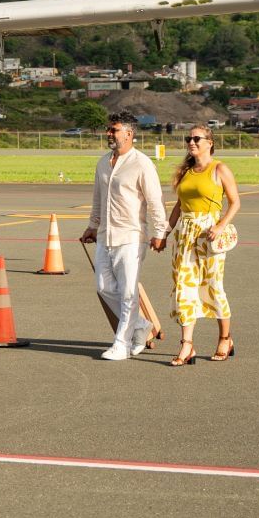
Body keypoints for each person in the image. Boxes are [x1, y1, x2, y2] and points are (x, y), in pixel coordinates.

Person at [79, 117, 168, 361]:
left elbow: (155, 201)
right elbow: (98, 198)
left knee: (128, 292)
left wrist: (160, 232)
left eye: (114, 130)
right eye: (108, 129)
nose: (109, 133)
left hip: (131, 236)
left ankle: (122, 344)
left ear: (129, 134)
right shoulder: (103, 162)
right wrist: (92, 226)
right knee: (104, 288)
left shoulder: (142, 163)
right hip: (105, 235)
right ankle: (141, 325)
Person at [164, 123, 240, 366]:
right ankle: (187, 345)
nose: (191, 142)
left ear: (210, 143)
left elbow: (235, 202)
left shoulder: (219, 169)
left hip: (209, 234)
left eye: (197, 138)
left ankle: (225, 338)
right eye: (189, 139)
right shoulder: (186, 171)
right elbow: (179, 206)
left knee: (212, 286)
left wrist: (220, 226)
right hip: (185, 234)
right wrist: (165, 232)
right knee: (184, 287)